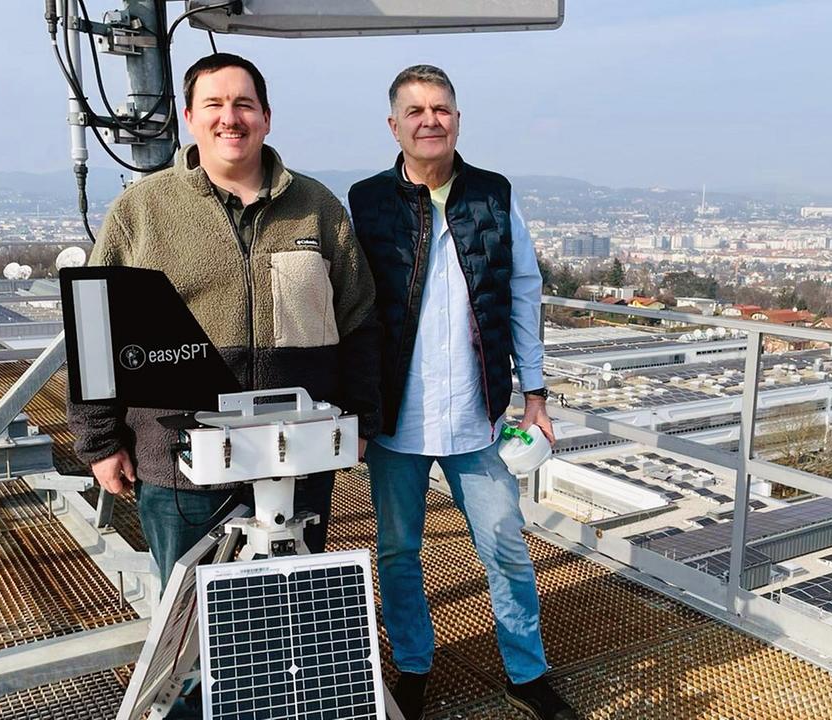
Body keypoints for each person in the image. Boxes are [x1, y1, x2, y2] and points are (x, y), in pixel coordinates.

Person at [67, 53, 381, 588]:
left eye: (243, 104)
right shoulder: (141, 211)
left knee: (289, 612)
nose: (229, 118)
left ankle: (288, 678)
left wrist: (362, 421)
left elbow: (360, 320)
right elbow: (95, 327)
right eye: (213, 104)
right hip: (181, 465)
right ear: (189, 117)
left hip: (295, 458)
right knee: (192, 624)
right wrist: (99, 441)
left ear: (266, 117)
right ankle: (194, 680)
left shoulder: (317, 208)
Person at [348, 65, 578, 720]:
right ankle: (414, 666)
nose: (430, 119)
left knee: (504, 539)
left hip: (478, 413)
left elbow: (523, 289)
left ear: (457, 119)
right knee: (398, 549)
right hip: (396, 416)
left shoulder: (493, 195)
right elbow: (352, 312)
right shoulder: (366, 201)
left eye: (442, 108)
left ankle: (525, 672)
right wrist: (358, 409)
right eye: (416, 110)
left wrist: (534, 391)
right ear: (393, 125)